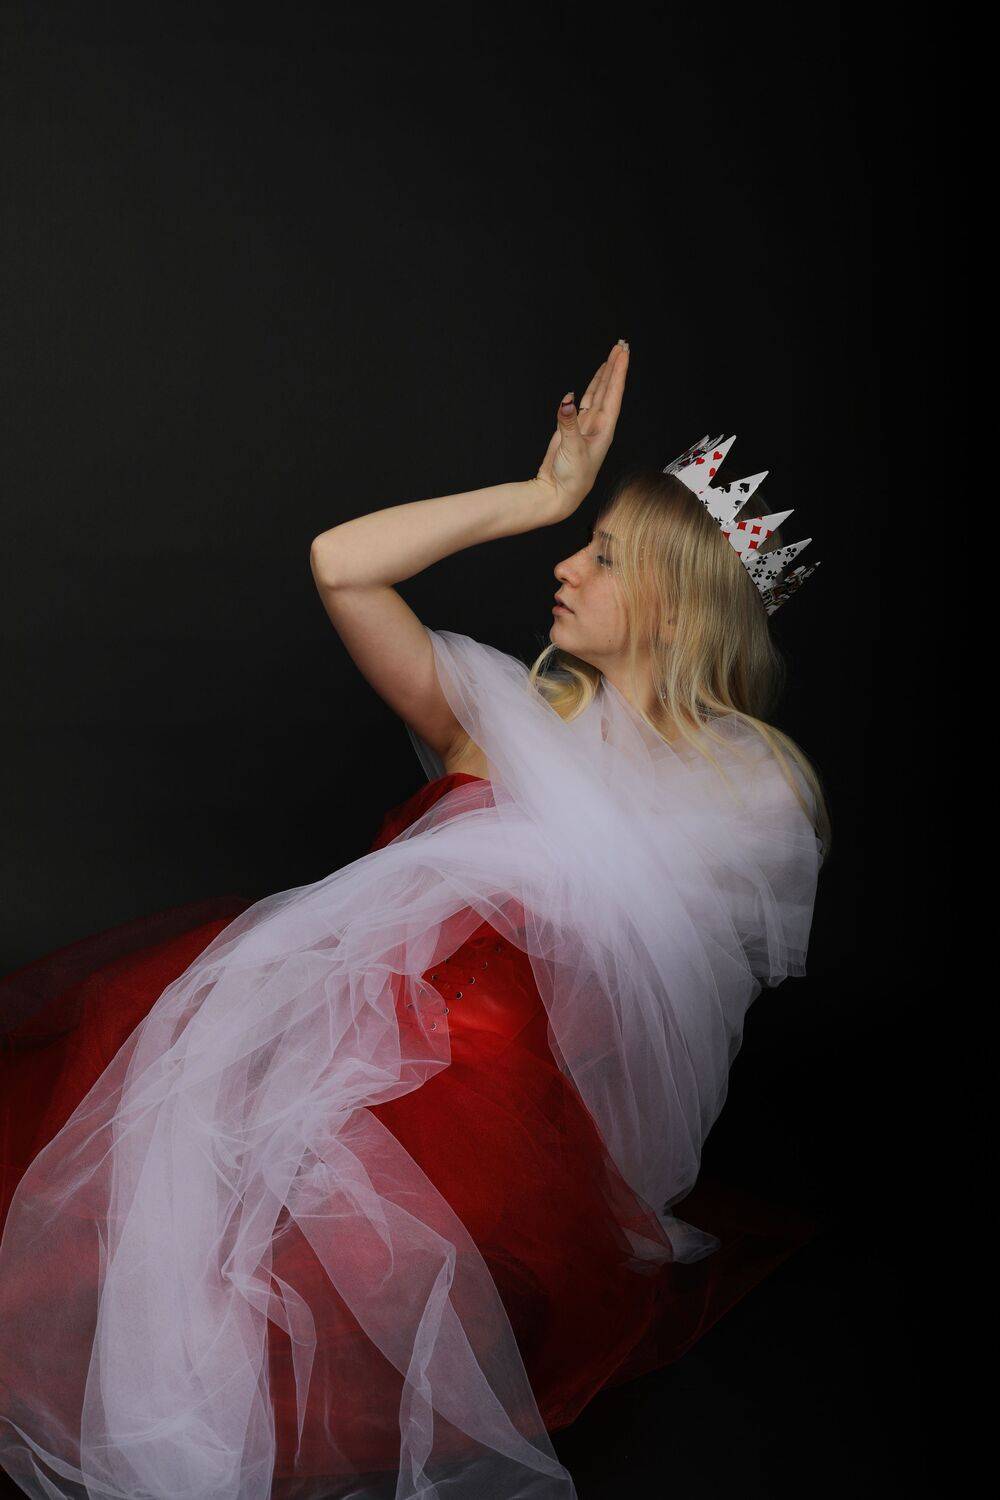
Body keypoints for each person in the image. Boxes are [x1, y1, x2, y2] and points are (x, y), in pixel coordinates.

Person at [0, 339, 828, 1500]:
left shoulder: (753, 793)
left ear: (672, 605)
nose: (566, 566)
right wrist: (543, 492)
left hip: (498, 1137)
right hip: (336, 1060)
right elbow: (340, 564)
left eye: (601, 556)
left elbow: (675, 1017)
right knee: (144, 1219)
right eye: (579, 543)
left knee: (349, 1281)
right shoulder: (500, 716)